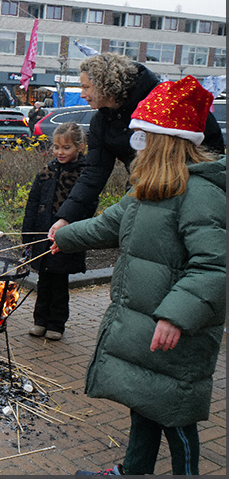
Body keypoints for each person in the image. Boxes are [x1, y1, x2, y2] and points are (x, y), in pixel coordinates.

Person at [51, 76, 226, 476]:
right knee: (144, 401)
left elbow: (214, 266)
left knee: (175, 417)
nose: (136, 146)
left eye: (142, 137)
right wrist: (64, 235)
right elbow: (109, 224)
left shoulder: (201, 194)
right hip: (143, 323)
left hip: (175, 330)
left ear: (164, 141)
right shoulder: (148, 187)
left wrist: (176, 314)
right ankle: (133, 470)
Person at [48, 53, 224, 240]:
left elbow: (211, 150)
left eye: (85, 87)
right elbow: (94, 173)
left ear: (104, 85)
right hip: (144, 188)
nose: (82, 94)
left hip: (187, 190)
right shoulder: (101, 121)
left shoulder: (164, 101)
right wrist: (67, 217)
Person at [20, 122, 91, 341]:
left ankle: (56, 324)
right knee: (44, 281)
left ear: (79, 147)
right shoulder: (46, 172)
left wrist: (72, 230)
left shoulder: (84, 175)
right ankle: (40, 320)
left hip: (66, 236)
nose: (60, 152)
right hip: (43, 233)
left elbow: (86, 205)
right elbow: (32, 204)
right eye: (57, 147)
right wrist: (28, 236)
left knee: (59, 282)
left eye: (66, 148)